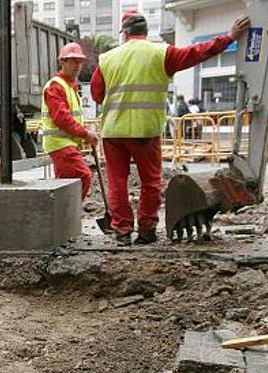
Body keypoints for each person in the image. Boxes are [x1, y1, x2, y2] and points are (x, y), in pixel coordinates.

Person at [91, 9, 250, 245]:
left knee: (117, 182)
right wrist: (229, 37)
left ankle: (122, 230)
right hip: (145, 131)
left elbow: (96, 94)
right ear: (146, 32)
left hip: (114, 132)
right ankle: (146, 230)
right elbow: (197, 53)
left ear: (124, 33)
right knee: (150, 182)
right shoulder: (161, 53)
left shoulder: (107, 58)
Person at [40, 42, 100, 199]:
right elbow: (62, 119)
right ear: (62, 62)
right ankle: (68, 216)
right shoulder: (56, 86)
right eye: (73, 61)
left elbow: (71, 117)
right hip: (60, 145)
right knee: (83, 176)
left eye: (79, 61)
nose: (77, 65)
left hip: (65, 145)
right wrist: (86, 134)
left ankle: (62, 218)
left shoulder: (69, 86)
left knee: (65, 185)